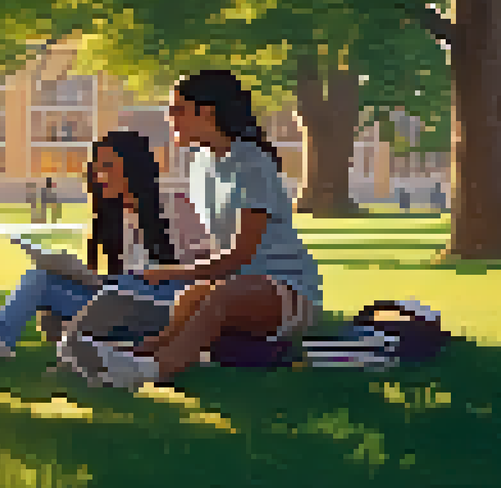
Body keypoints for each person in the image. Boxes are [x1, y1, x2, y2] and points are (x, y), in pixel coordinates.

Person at [67, 70, 324, 389]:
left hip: (287, 288)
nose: (169, 118)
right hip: (235, 283)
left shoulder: (252, 164)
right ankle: (124, 356)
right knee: (189, 300)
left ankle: (155, 370)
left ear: (206, 112)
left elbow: (240, 257)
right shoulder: (199, 164)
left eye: (177, 109)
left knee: (216, 296)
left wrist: (166, 273)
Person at [0, 130, 211, 358]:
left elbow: (209, 272)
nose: (100, 175)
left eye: (109, 166)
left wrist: (160, 275)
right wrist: (88, 276)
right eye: (98, 168)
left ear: (134, 166)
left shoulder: (175, 206)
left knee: (73, 299)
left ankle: (2, 336)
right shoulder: (116, 217)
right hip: (121, 303)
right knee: (42, 278)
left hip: (164, 306)